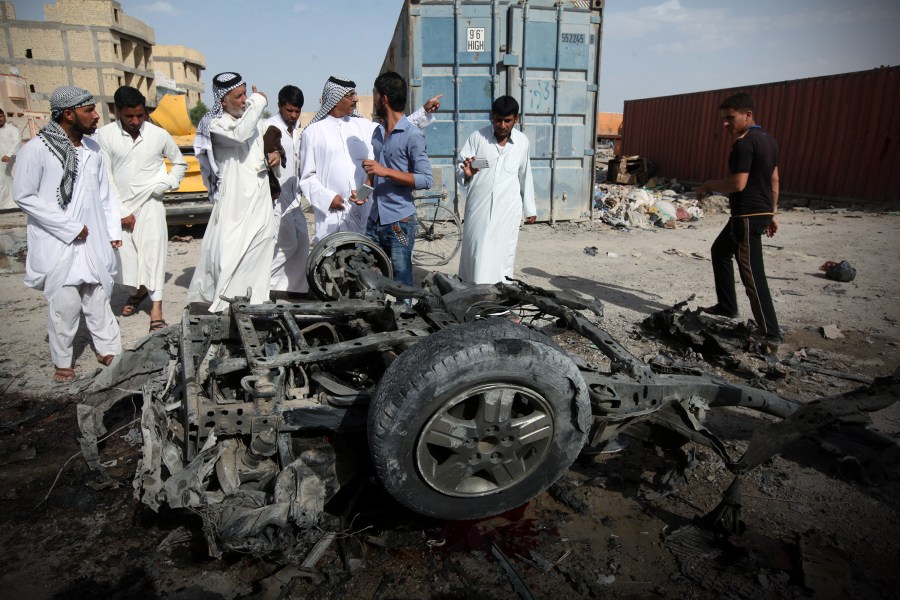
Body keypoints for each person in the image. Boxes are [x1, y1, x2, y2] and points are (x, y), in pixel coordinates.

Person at [12, 87, 122, 382]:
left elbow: (104, 194)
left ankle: (108, 349)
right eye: (89, 111)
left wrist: (112, 231)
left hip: (94, 239)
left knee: (98, 296)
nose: (96, 116)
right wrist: (68, 227)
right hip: (58, 241)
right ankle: (63, 360)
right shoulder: (36, 149)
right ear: (68, 114)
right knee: (65, 304)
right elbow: (24, 196)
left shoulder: (93, 150)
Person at [299, 75, 439, 244]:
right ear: (335, 99)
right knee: (332, 264)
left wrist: (422, 112)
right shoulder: (312, 132)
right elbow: (306, 177)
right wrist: (328, 198)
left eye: (355, 94)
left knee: (366, 263)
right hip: (332, 216)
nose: (356, 99)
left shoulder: (363, 126)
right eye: (350, 95)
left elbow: (398, 129)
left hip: (365, 214)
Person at [695, 92, 782, 353]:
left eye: (729, 118)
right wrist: (771, 213)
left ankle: (770, 333)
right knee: (719, 251)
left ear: (747, 115)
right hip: (756, 213)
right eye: (723, 118)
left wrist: (708, 185)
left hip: (745, 216)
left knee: (753, 275)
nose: (725, 123)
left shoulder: (744, 143)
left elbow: (738, 184)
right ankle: (727, 305)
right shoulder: (768, 139)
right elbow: (774, 180)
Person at [97, 86, 187, 332]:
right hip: (121, 208)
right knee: (126, 262)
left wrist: (167, 183)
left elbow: (179, 163)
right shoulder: (104, 136)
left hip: (151, 204)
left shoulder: (159, 134)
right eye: (129, 116)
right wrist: (121, 211)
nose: (136, 121)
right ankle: (137, 293)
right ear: (117, 112)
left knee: (154, 255)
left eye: (140, 115)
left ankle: (156, 309)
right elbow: (105, 177)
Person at [187, 73, 278, 313]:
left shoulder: (253, 120)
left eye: (246, 94)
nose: (244, 100)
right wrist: (259, 101)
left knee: (260, 249)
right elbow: (240, 135)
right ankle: (225, 308)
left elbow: (261, 146)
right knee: (230, 254)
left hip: (259, 198)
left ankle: (255, 306)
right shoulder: (215, 125)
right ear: (223, 101)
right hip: (235, 203)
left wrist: (273, 157)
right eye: (238, 96)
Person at [362, 71, 432, 288]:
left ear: (384, 98)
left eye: (374, 95)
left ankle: (406, 320)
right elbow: (375, 170)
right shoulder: (377, 132)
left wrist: (386, 171)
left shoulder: (412, 135)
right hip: (374, 221)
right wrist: (363, 193)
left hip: (399, 225)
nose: (373, 100)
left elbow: (426, 180)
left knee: (401, 281)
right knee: (367, 275)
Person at [456, 95, 536, 284]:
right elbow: (461, 168)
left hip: (508, 211)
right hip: (479, 209)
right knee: (477, 254)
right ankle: (472, 300)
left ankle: (500, 307)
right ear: (492, 117)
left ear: (516, 119)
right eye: (498, 120)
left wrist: (530, 208)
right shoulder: (478, 138)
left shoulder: (522, 142)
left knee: (502, 258)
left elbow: (525, 174)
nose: (502, 125)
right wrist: (467, 173)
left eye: (507, 121)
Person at [264, 85, 310, 297]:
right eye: (289, 110)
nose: (293, 115)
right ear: (280, 106)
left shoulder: (298, 129)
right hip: (277, 197)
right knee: (287, 244)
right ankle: (264, 286)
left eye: (297, 111)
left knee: (302, 243)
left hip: (295, 196)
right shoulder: (269, 127)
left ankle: (294, 290)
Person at [0, 108, 23, 210]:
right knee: (4, 182)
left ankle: (20, 202)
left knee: (17, 180)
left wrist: (9, 155)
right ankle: (6, 204)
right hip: (1, 163)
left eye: (0, 116)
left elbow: (17, 142)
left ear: (4, 116)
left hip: (13, 161)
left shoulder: (12, 129)